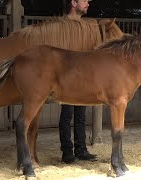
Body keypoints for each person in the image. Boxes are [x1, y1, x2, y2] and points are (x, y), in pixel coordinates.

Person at [59, 0, 97, 164]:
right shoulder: (62, 25)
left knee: (81, 115)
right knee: (67, 114)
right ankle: (67, 151)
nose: (88, 2)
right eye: (84, 0)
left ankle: (80, 149)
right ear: (74, 3)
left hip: (82, 76)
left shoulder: (86, 26)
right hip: (67, 76)